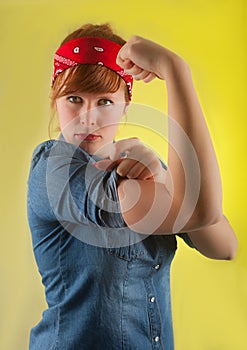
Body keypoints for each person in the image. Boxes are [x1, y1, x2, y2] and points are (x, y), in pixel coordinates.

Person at [27, 23, 238, 350]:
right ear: (55, 100)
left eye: (105, 102)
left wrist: (163, 177)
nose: (88, 117)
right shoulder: (53, 168)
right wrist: (176, 71)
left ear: (127, 103)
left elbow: (223, 246)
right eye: (74, 99)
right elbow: (197, 209)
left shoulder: (146, 170)